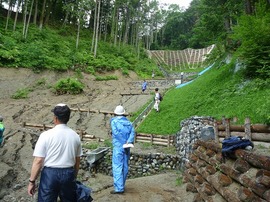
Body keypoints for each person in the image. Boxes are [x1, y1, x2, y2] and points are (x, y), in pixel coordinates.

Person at [28, 103, 82, 201]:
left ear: (55, 118)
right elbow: (77, 160)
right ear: (68, 118)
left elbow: (38, 160)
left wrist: (32, 181)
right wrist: (73, 176)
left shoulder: (46, 135)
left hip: (50, 174)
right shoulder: (75, 136)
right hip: (68, 173)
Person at [110, 105, 135, 194]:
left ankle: (119, 188)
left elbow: (115, 133)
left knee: (117, 166)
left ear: (115, 113)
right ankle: (122, 185)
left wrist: (123, 141)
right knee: (125, 166)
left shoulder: (114, 122)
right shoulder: (129, 123)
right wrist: (128, 142)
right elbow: (132, 133)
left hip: (118, 146)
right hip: (127, 147)